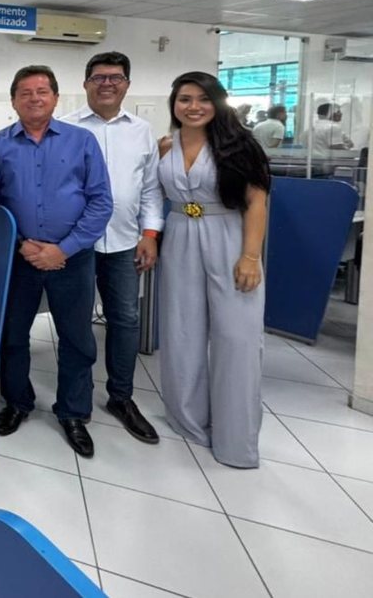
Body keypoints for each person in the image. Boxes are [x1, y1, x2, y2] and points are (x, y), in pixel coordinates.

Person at [0, 65, 112, 458]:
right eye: (25, 92)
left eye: (42, 91)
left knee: (76, 338)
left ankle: (73, 412)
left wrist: (64, 249)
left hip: (71, 259)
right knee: (12, 336)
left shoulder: (82, 141)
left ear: (56, 98)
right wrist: (21, 245)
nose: (34, 98)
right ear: (13, 101)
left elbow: (100, 201)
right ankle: (17, 402)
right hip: (17, 260)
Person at [158, 71, 271, 468]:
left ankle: (236, 439)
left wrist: (250, 256)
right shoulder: (165, 146)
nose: (194, 107)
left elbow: (257, 202)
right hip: (179, 235)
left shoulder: (240, 145)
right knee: (181, 332)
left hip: (229, 237)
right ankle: (189, 420)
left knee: (237, 338)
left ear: (218, 103)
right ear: (174, 104)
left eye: (203, 99)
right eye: (185, 99)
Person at [61, 52, 161, 445]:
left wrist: (150, 233)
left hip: (123, 242)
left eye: (115, 77)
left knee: (126, 320)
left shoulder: (142, 131)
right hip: (76, 243)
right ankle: (77, 402)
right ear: (85, 83)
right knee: (75, 324)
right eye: (99, 77)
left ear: (127, 85)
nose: (107, 84)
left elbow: (150, 189)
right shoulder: (65, 127)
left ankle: (121, 397)